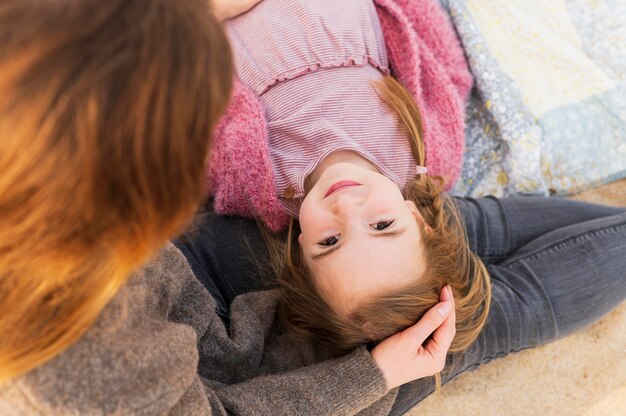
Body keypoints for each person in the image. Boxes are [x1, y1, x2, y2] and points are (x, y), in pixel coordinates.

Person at [0, 0, 462, 414]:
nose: (346, 208)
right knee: (447, 334)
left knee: (435, 323)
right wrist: (373, 376)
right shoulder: (75, 367)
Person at [207, 0, 490, 362]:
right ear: (418, 221)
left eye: (329, 241)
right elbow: (445, 67)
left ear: (301, 250)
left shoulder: (255, 181)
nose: (346, 209)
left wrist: (204, 16)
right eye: (382, 224)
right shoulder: (426, 153)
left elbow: (180, 110)